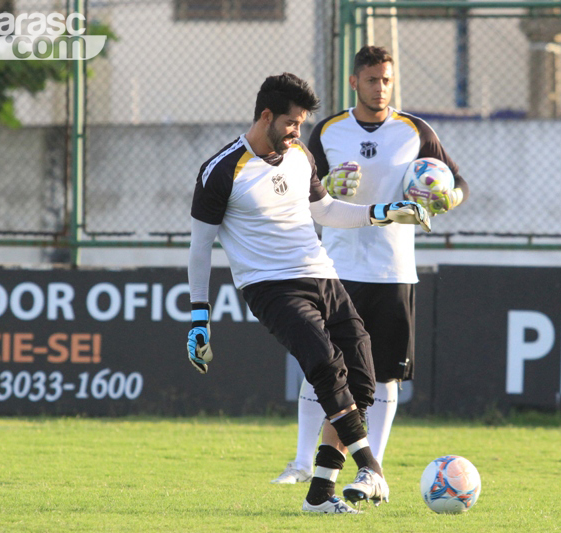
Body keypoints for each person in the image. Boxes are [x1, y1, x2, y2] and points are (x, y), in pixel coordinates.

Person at [186, 72, 431, 513]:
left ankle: (320, 495)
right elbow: (200, 248)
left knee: (362, 375)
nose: (298, 131)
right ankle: (371, 467)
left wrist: (384, 212)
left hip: (322, 274)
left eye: (300, 124)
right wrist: (199, 317)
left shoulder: (299, 155)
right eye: (292, 123)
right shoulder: (221, 170)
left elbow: (326, 210)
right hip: (270, 287)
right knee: (324, 364)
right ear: (266, 116)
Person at [271, 46, 469, 485]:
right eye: (372, 79)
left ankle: (370, 472)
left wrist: (446, 197)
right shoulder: (327, 131)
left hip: (393, 268)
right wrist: (327, 186)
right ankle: (303, 463)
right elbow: (296, 191)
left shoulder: (414, 131)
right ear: (354, 82)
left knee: (384, 376)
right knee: (320, 364)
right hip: (336, 266)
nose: (381, 88)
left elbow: (459, 184)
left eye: (387, 80)